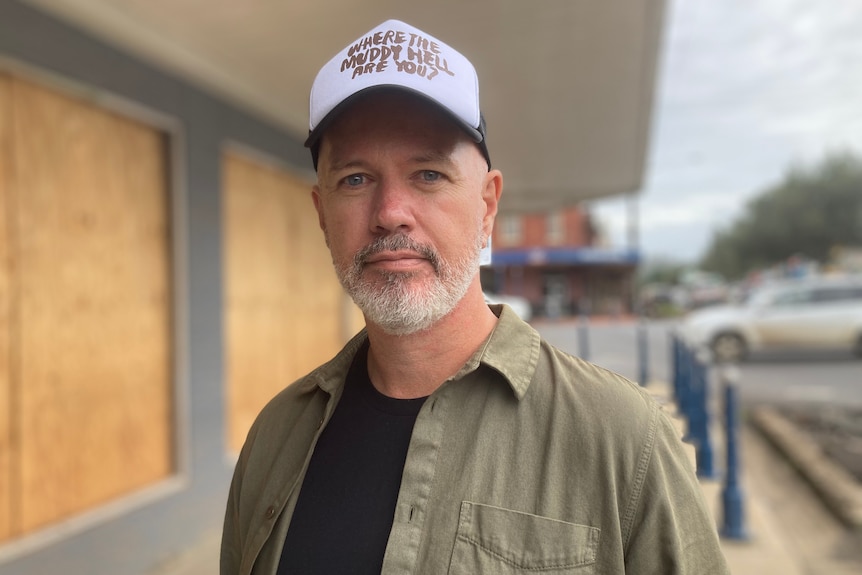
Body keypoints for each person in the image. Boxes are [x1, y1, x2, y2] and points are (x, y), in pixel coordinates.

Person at [221, 19, 729, 575]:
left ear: (487, 205)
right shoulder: (275, 438)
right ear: (322, 214)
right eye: (356, 180)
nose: (390, 212)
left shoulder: (622, 440)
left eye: (429, 174)